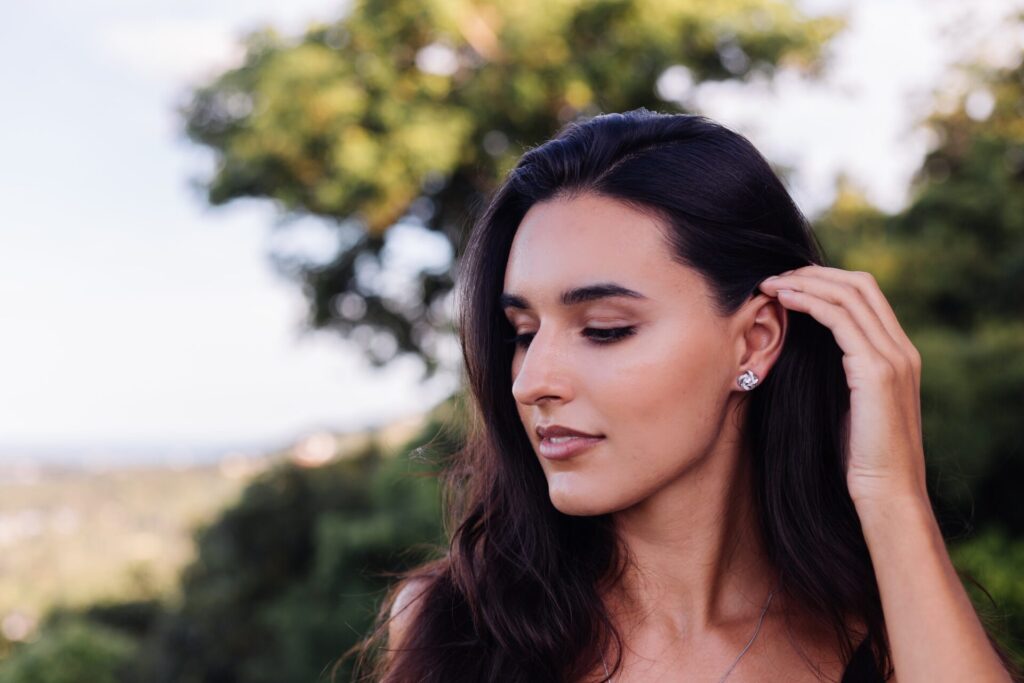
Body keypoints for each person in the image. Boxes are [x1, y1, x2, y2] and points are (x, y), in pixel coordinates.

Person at [347, 109, 1020, 682]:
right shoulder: (454, 631)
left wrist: (893, 497)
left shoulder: (887, 641)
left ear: (755, 340)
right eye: (522, 331)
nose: (531, 381)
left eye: (605, 329)